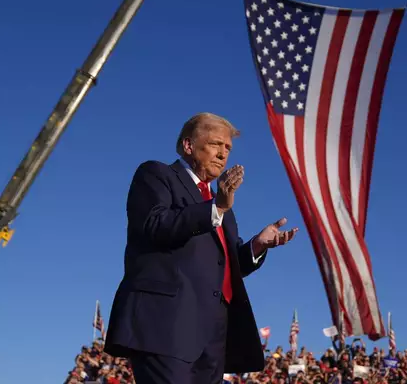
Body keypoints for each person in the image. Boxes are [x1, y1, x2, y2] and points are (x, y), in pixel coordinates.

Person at [105, 112, 298, 383]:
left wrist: (257, 245)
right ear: (188, 146)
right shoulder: (156, 174)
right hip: (165, 326)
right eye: (216, 144)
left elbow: (227, 265)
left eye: (228, 148)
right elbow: (155, 225)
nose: (223, 154)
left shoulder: (222, 207)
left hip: (214, 335)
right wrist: (216, 206)